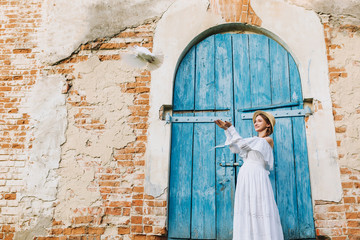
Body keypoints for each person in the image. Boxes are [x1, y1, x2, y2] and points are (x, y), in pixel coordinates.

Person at [214, 110, 284, 240]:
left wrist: (231, 128)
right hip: (246, 174)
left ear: (268, 124)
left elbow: (244, 144)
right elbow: (236, 147)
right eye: (255, 121)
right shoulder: (254, 140)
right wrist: (226, 130)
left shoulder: (267, 140)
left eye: (259, 121)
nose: (256, 123)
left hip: (257, 175)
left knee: (260, 206)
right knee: (247, 206)